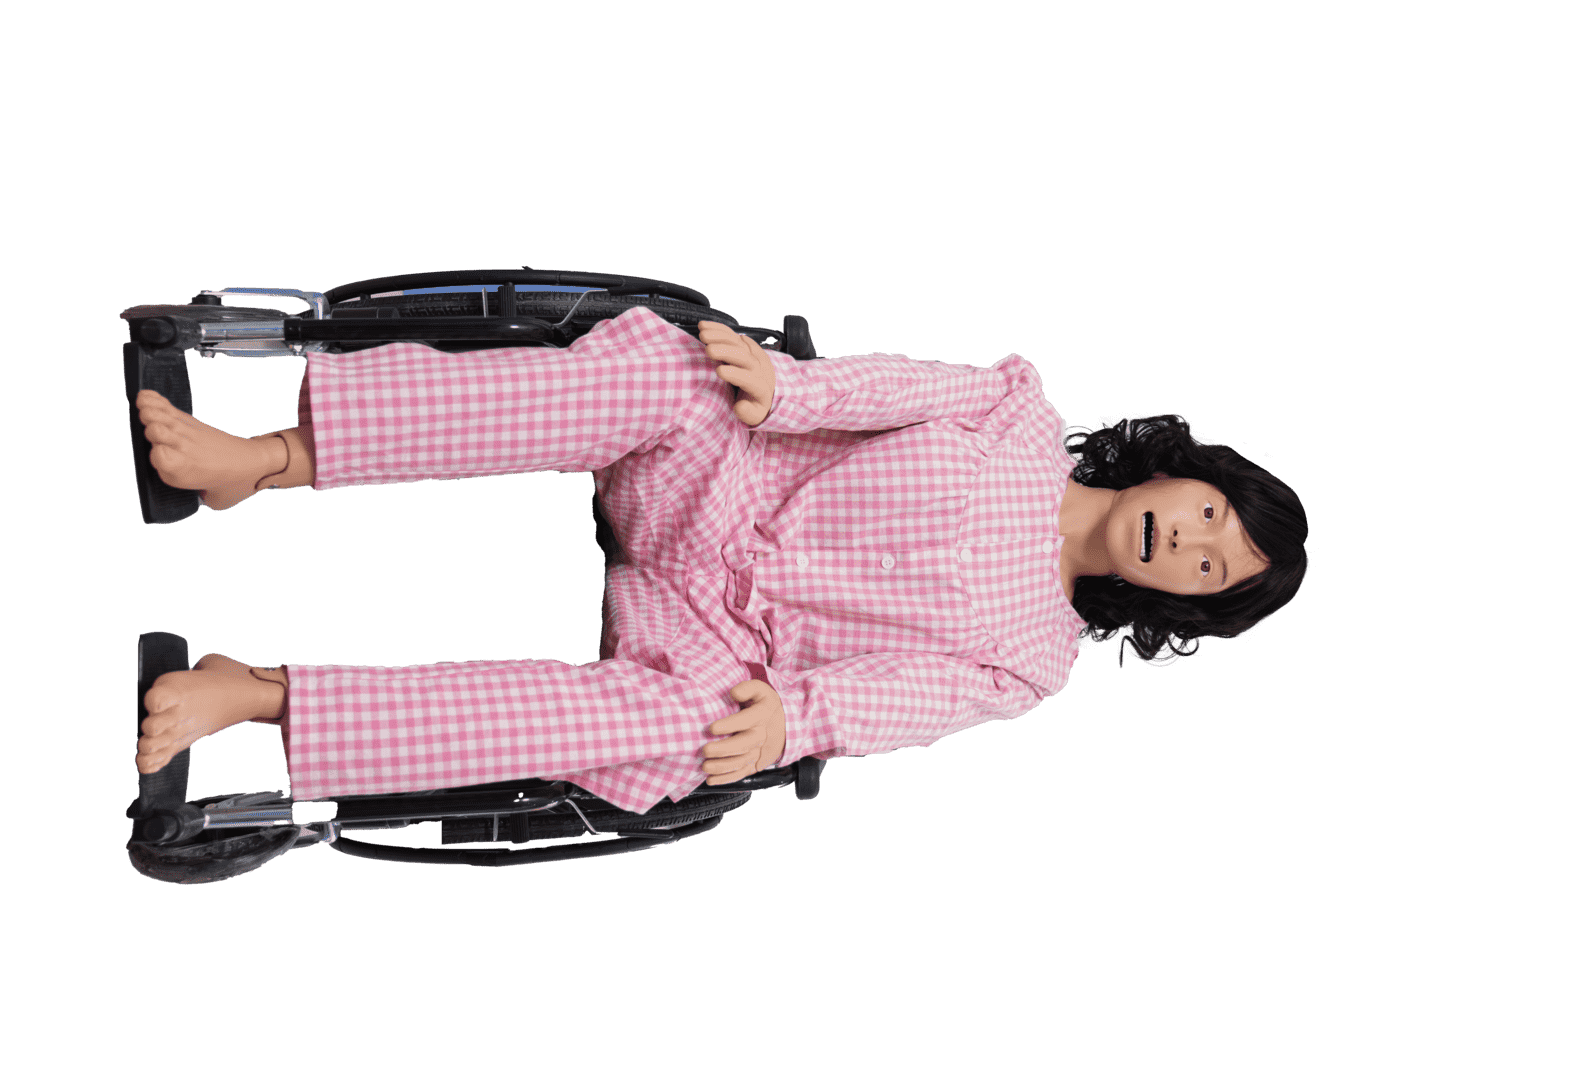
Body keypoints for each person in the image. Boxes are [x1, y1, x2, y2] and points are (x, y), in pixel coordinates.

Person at [132, 307, 1308, 814]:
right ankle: (261, 460)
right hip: (726, 474)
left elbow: (904, 704)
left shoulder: (1032, 662)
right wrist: (791, 389)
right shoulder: (1015, 412)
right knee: (673, 377)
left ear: (1179, 606)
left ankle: (258, 696)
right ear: (1181, 472)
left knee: (681, 737)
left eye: (1212, 570)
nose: (1192, 542)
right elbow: (888, 386)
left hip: (731, 647)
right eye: (1211, 515)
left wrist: (796, 723)